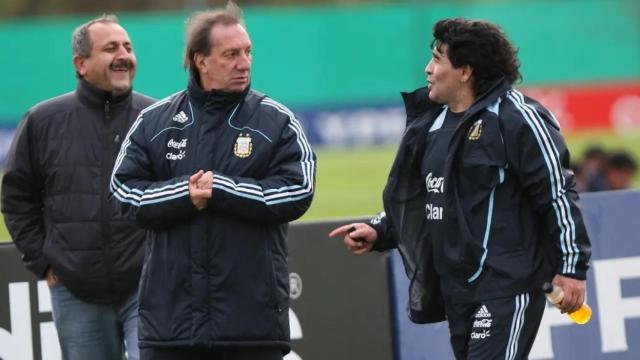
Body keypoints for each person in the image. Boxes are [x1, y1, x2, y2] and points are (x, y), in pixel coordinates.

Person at [331, 18, 591, 359]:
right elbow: (425, 196)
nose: (427, 69)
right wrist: (381, 228)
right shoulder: (431, 122)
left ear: (465, 71)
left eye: (438, 58)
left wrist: (572, 268)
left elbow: (557, 193)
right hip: (456, 289)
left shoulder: (516, 118)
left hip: (506, 287)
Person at [109, 3, 316, 360]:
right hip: (171, 328)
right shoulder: (154, 122)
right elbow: (124, 190)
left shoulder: (278, 122)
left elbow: (298, 190)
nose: (244, 63)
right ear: (200, 60)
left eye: (247, 52)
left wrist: (222, 189)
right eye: (231, 54)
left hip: (251, 327)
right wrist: (184, 194)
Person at [1, 15, 154, 360]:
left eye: (128, 47)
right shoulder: (42, 121)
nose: (124, 55)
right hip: (76, 292)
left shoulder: (154, 118)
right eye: (111, 47)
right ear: (81, 64)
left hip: (147, 285)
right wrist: (42, 261)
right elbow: (16, 197)